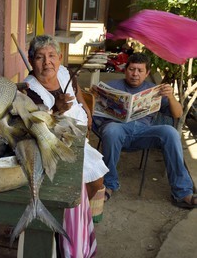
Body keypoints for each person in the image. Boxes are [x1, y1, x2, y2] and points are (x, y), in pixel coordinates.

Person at [24, 34, 109, 258]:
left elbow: (77, 91)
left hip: (79, 138)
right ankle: (66, 227)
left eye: (52, 56)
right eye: (40, 57)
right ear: (32, 61)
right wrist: (55, 111)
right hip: (54, 146)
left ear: (60, 58)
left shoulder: (65, 73)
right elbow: (35, 128)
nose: (47, 62)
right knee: (80, 187)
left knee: (98, 181)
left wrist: (85, 107)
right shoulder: (29, 90)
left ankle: (75, 219)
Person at [93, 52, 196, 208]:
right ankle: (109, 184)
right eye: (132, 69)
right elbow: (93, 108)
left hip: (144, 133)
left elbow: (178, 114)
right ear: (125, 69)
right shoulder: (112, 86)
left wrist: (172, 97)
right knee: (112, 130)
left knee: (171, 132)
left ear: (147, 73)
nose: (135, 74)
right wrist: (94, 97)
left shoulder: (155, 90)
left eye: (140, 70)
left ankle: (182, 192)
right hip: (117, 131)